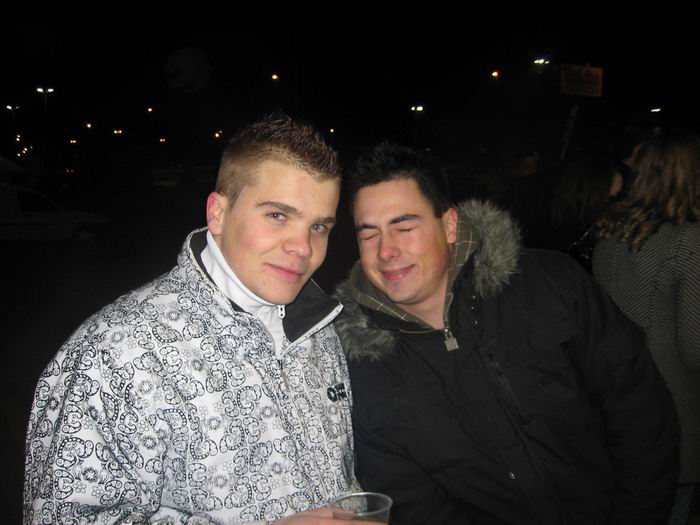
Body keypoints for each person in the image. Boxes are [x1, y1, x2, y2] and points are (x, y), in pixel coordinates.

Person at [23, 114, 359, 524]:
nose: (303, 247)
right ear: (218, 213)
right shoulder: (113, 352)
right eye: (277, 215)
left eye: (319, 226)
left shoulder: (319, 331)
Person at [334, 143, 679, 524]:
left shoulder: (549, 285)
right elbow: (411, 502)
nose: (386, 251)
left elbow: (638, 410)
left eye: (404, 227)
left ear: (449, 225)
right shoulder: (361, 364)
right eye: (369, 235)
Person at [593, 129, 700, 525]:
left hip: (615, 403)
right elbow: (695, 348)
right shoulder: (688, 241)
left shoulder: (610, 232)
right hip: (673, 411)